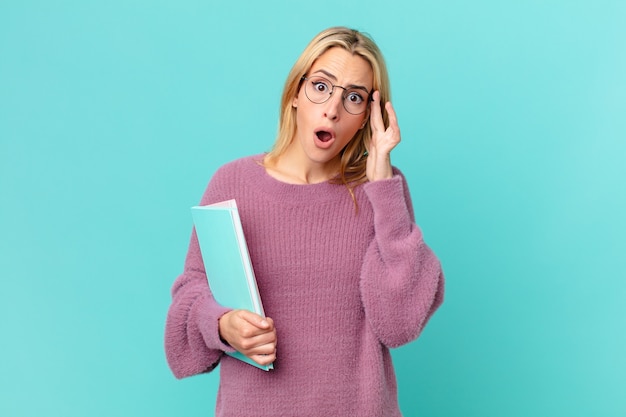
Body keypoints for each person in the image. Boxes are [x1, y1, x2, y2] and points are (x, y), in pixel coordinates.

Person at [164, 26, 445, 417]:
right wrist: (223, 325)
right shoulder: (231, 184)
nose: (332, 109)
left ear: (368, 117)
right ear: (296, 93)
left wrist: (383, 188)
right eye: (321, 87)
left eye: (353, 97)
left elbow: (399, 323)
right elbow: (188, 302)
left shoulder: (381, 192)